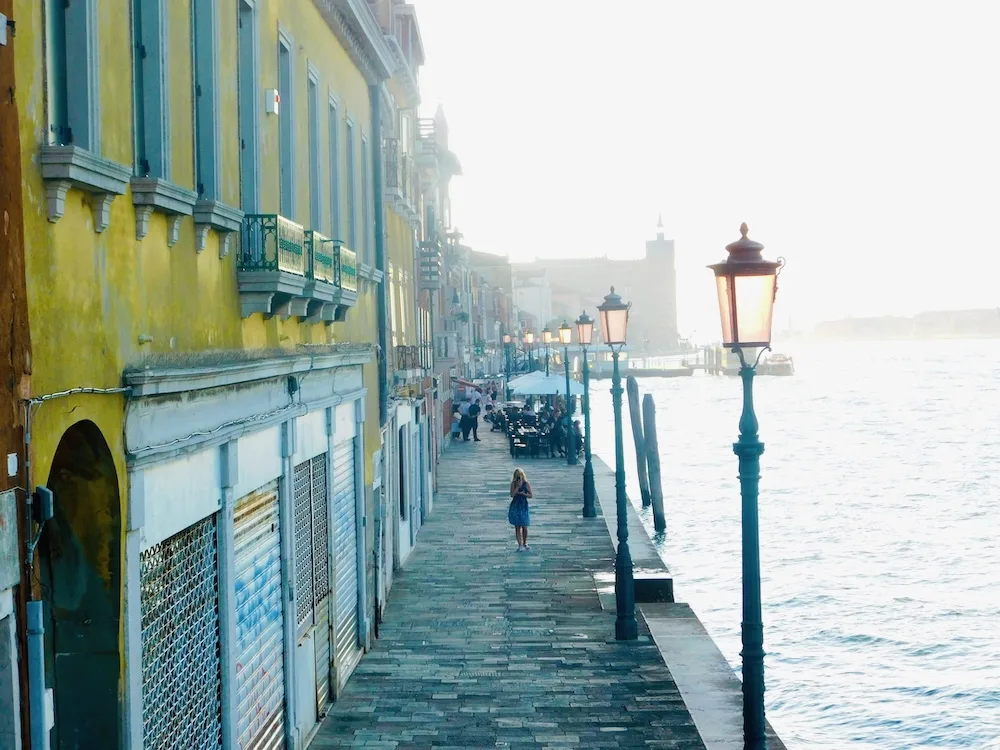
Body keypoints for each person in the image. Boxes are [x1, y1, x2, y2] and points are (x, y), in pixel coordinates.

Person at [508, 468, 533, 550]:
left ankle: (525, 543)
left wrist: (524, 494)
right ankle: (520, 545)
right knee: (517, 526)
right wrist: (517, 487)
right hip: (516, 505)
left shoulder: (526, 484)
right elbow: (512, 494)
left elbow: (530, 495)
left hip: (523, 506)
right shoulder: (513, 484)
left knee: (524, 526)